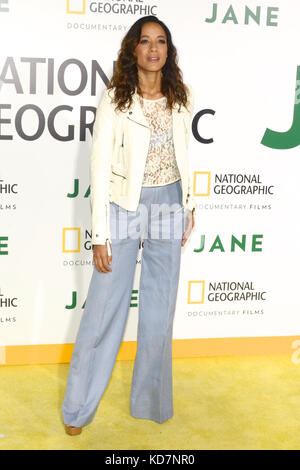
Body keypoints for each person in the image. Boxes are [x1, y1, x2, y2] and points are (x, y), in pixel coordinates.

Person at [62, 15, 196, 436]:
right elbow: (98, 168)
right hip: (124, 207)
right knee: (103, 312)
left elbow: (185, 155)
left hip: (169, 205)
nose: (153, 49)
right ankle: (77, 409)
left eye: (161, 42)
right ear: (133, 50)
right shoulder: (116, 99)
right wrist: (100, 232)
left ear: (167, 51)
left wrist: (188, 206)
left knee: (159, 313)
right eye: (145, 42)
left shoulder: (180, 96)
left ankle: (151, 404)